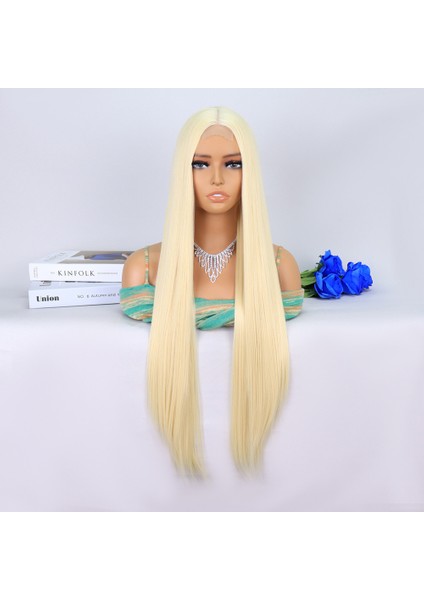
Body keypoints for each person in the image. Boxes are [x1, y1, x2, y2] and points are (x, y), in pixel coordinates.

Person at [120, 107, 304, 476]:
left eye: (233, 164)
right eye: (200, 164)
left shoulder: (279, 266)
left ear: (250, 172)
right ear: (182, 171)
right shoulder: (144, 268)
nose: (217, 178)